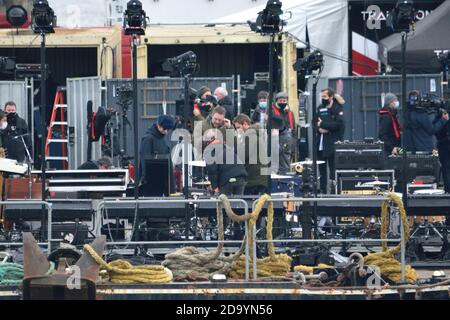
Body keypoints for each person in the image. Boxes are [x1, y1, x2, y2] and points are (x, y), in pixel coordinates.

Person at [316, 88, 345, 194]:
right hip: (321, 143)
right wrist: (319, 128)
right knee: (322, 170)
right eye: (321, 97)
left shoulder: (337, 108)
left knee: (333, 170)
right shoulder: (320, 108)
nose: (323, 99)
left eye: (325, 97)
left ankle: (334, 191)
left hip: (333, 144)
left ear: (331, 97)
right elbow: (315, 122)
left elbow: (338, 125)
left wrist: (323, 125)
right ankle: (323, 191)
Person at [233, 114, 268, 195]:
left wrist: (237, 139)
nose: (237, 130)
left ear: (245, 124)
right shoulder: (255, 134)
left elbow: (242, 156)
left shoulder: (250, 136)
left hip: (254, 180)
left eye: (238, 127)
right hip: (260, 179)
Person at [204, 131, 247, 196]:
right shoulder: (227, 148)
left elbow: (212, 169)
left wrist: (214, 187)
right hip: (241, 177)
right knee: (239, 203)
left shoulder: (210, 150)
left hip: (227, 180)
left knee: (224, 203)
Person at [139, 115, 175, 182]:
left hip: (162, 179)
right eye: (164, 129)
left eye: (168, 129)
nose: (166, 132)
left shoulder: (161, 138)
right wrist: (145, 178)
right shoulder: (148, 139)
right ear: (158, 125)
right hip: (152, 180)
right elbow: (144, 160)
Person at [271, 92, 296, 175]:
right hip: (275, 139)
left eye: (284, 100)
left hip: (287, 140)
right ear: (276, 101)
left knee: (285, 161)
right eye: (280, 100)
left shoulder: (289, 113)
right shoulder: (272, 112)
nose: (282, 102)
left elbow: (293, 129)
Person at [434, 108, 450, 193]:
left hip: (444, 145)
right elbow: (435, 131)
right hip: (444, 146)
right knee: (446, 169)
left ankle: (448, 190)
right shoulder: (440, 116)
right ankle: (448, 190)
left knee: (446, 169)